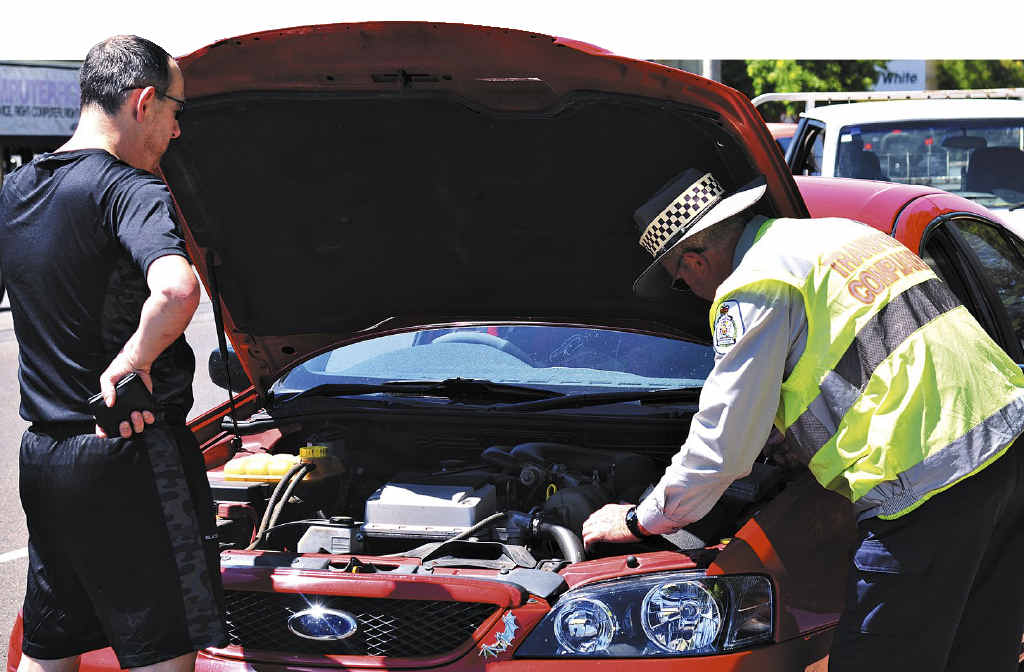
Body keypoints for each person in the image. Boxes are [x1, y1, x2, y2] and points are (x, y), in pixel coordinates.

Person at [581, 168, 1024, 671]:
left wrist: (642, 518)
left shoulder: (755, 284)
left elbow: (723, 445)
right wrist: (795, 435)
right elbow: (870, 355)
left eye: (680, 282)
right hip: (1007, 449)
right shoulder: (839, 236)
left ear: (696, 261)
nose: (689, 290)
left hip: (929, 485)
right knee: (979, 654)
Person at [0, 36, 226, 672]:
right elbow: (177, 289)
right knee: (162, 656)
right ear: (143, 101)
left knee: (50, 648)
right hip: (129, 455)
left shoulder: (17, 190)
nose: (177, 132)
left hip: (45, 458)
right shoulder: (130, 190)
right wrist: (133, 361)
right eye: (177, 111)